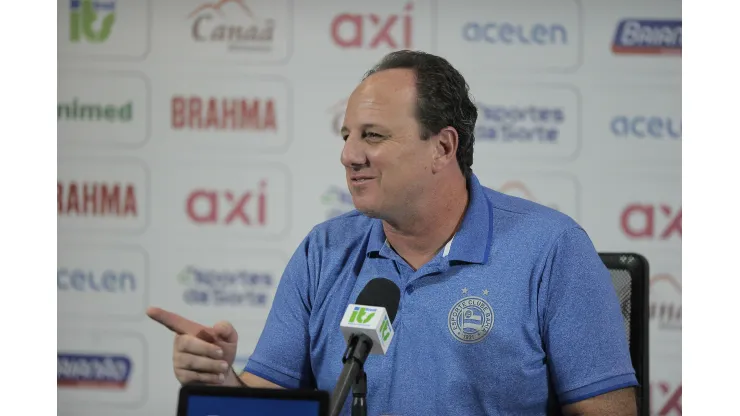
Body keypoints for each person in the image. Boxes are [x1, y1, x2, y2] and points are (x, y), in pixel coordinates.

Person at [148, 50, 638, 415]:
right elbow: (268, 403)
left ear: (443, 148)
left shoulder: (551, 249)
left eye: (373, 135)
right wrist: (221, 382)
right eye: (346, 136)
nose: (349, 155)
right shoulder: (324, 251)